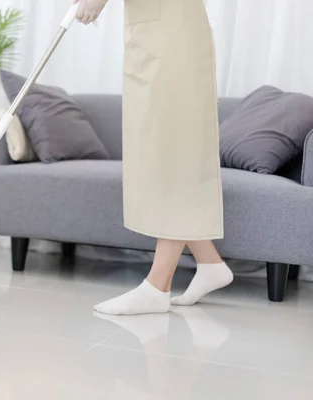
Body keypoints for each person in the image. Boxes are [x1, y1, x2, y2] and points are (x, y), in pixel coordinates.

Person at [73, 0, 234, 315]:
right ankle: (209, 261)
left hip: (173, 34)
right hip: (150, 32)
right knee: (154, 148)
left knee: (174, 149)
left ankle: (157, 286)